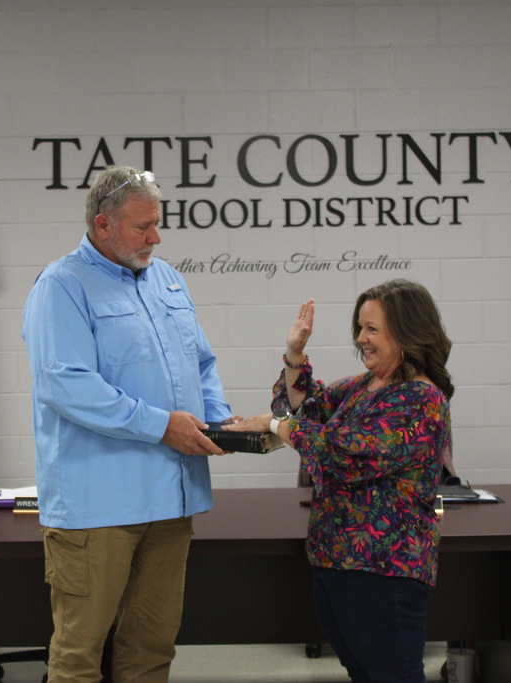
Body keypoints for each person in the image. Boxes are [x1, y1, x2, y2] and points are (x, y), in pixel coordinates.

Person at [22, 166, 235, 683]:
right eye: (143, 228)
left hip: (172, 500)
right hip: (98, 509)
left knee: (151, 647)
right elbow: (66, 384)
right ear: (103, 226)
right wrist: (163, 426)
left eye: (157, 224)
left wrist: (219, 420)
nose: (155, 238)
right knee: (79, 656)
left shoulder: (166, 279)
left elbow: (201, 362)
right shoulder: (62, 285)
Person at [227, 278, 453, 683]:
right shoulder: (364, 386)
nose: (361, 339)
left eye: (372, 329)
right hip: (336, 560)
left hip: (384, 570)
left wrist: (278, 425)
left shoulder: (421, 399)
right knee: (363, 674)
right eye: (359, 328)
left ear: (406, 331)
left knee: (393, 675)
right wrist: (295, 352)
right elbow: (305, 409)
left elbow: (343, 455)